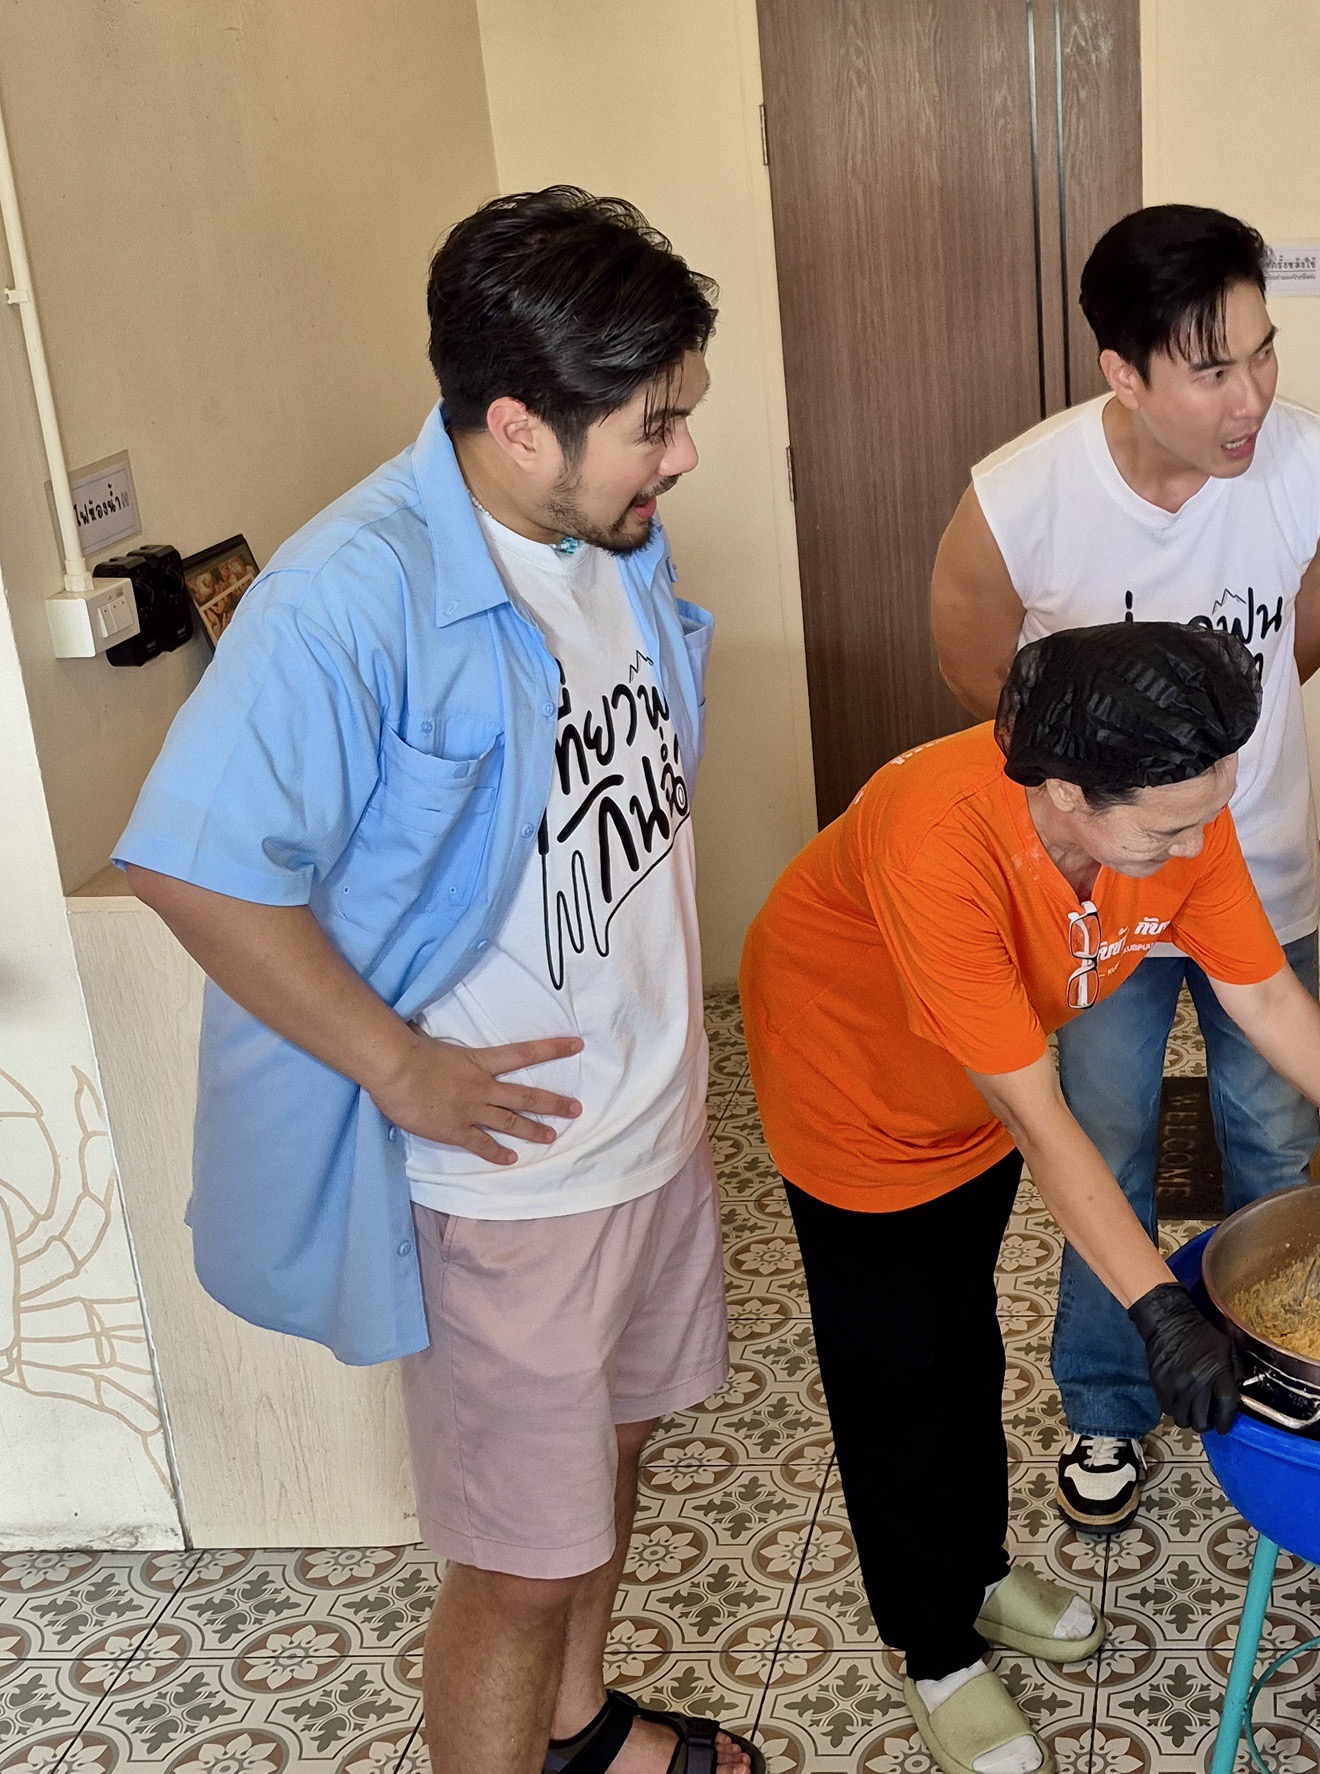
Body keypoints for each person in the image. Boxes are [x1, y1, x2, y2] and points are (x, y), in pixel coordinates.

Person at [115, 190, 754, 1774]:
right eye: (656, 425)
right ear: (522, 424)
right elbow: (191, 861)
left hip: (649, 1129)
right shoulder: (352, 593)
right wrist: (400, 1067)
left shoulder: (604, 541)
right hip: (510, 1188)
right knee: (518, 1562)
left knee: (609, 1466)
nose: (682, 456)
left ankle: (577, 1730)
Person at [737, 623, 1320, 1774]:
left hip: (977, 1084)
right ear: (1066, 792)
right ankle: (935, 1646)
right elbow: (1048, 1125)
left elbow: (1265, 998)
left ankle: (978, 1572)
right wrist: (1160, 1310)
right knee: (897, 1367)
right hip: (853, 1086)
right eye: (1168, 830)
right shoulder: (937, 837)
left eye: (1211, 814)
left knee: (965, 1332)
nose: (1199, 845)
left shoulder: (1173, 803)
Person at [928, 205, 1320, 1531]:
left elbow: (1309, 628)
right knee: (1104, 1142)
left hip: (1253, 875)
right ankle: (1111, 1400)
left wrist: (1198, 792)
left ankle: (1285, 1374)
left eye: (1263, 352)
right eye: (1212, 368)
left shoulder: (1316, 466)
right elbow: (976, 663)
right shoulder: (1021, 494)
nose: (1252, 397)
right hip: (1093, 903)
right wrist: (1105, 796)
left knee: (1274, 1140)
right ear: (1123, 371)